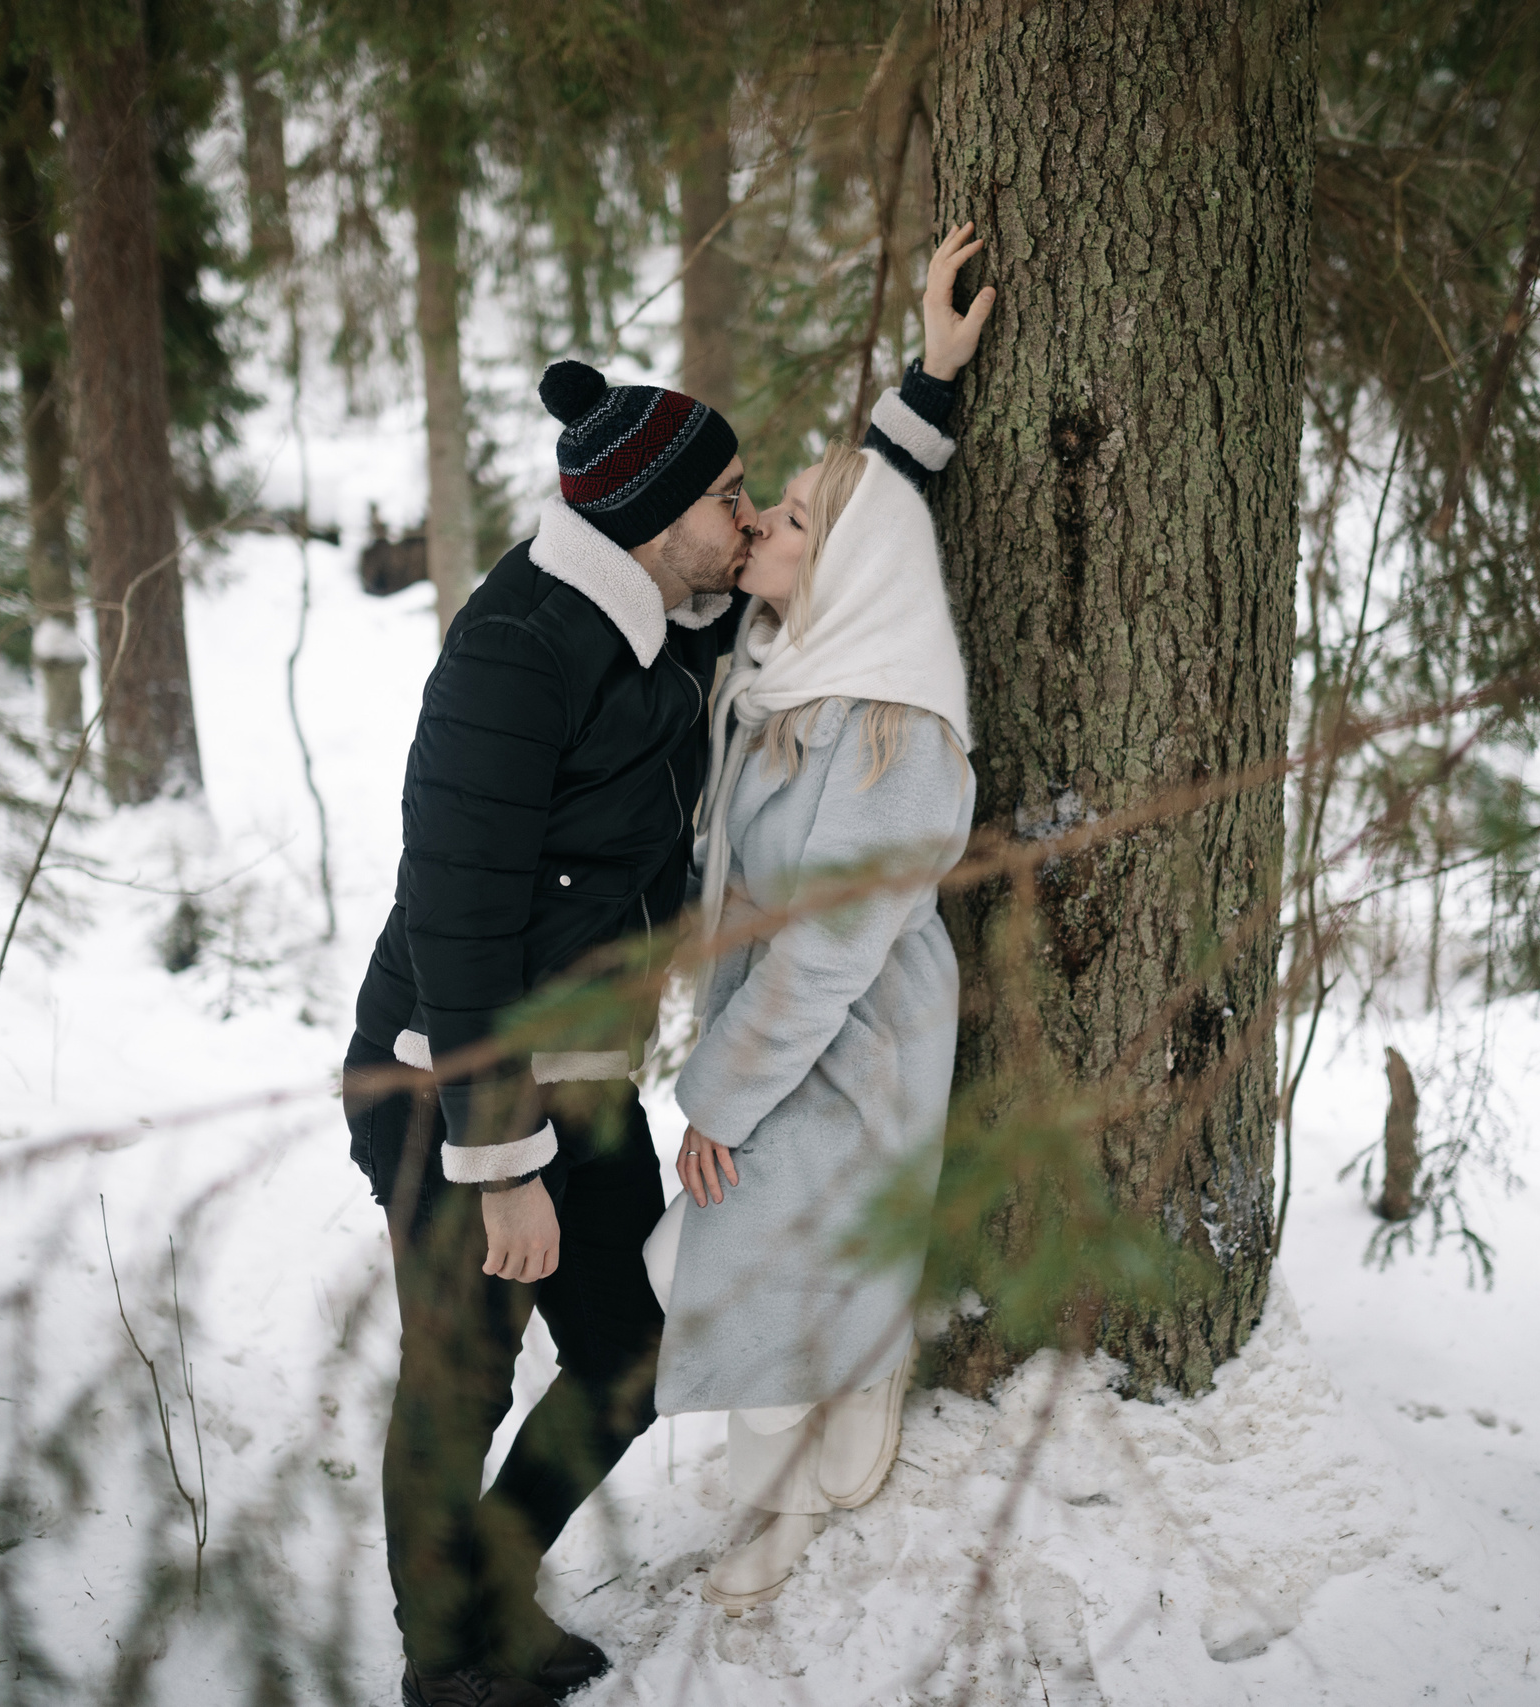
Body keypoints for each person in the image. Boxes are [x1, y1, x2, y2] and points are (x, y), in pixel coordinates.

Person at [342, 360, 756, 1705]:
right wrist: (502, 1161)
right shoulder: (518, 648)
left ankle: (488, 1588)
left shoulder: (660, 623)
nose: (748, 520)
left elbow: (818, 559)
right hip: (447, 1079)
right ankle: (442, 1666)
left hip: (578, 1080)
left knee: (627, 1355)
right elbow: (458, 918)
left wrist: (925, 392)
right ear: (652, 517)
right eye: (731, 498)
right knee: (459, 1385)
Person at [645, 222, 996, 1613]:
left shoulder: (894, 726)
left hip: (857, 1032)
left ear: (839, 565)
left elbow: (842, 937)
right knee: (749, 1240)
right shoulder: (785, 661)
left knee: (774, 1228)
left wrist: (720, 1093)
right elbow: (879, 491)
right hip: (777, 1019)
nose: (764, 528)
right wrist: (933, 373)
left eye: (786, 520)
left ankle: (803, 1469)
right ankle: (773, 1478)